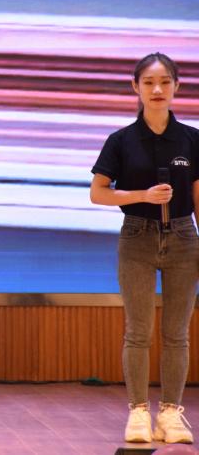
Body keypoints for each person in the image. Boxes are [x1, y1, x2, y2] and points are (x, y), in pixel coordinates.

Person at [90, 52, 198, 445]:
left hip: (183, 238)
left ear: (176, 86)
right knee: (137, 331)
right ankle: (138, 411)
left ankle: (170, 412)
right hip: (136, 236)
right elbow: (98, 193)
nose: (157, 89)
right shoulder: (121, 140)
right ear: (135, 87)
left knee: (177, 333)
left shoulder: (192, 138)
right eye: (149, 82)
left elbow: (198, 196)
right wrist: (142, 195)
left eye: (165, 82)